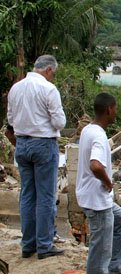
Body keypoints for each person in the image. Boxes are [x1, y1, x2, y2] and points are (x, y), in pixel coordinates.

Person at [7, 55, 67, 259]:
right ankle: (44, 244)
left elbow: (10, 119)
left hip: (22, 143)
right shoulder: (48, 89)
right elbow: (60, 122)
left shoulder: (16, 88)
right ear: (49, 70)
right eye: (54, 73)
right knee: (46, 196)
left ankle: (28, 244)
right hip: (43, 143)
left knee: (27, 194)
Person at [77, 93, 121, 274]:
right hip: (97, 200)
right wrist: (108, 182)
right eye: (116, 108)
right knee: (100, 249)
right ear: (109, 109)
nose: (116, 112)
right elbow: (96, 165)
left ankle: (115, 266)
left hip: (95, 197)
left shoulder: (88, 129)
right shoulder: (98, 135)